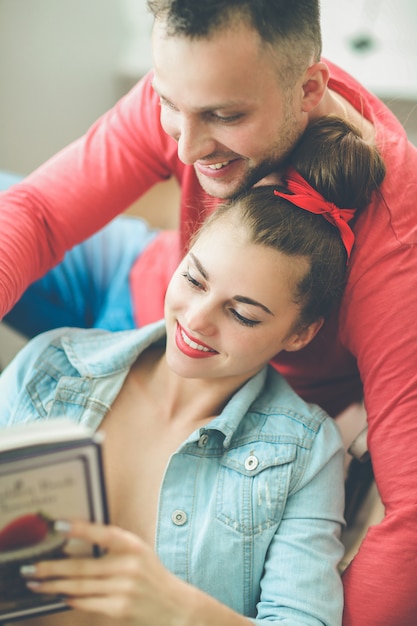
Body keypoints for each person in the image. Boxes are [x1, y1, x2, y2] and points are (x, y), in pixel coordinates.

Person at [0, 2, 415, 623]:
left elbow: (409, 511)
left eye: (224, 117)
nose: (186, 147)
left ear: (308, 89)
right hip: (144, 286)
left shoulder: (398, 251)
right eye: (170, 104)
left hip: (232, 367)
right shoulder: (197, 85)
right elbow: (38, 213)